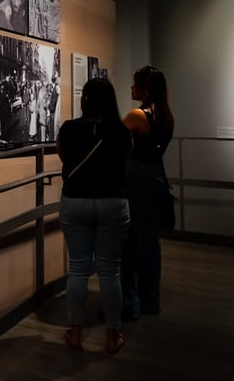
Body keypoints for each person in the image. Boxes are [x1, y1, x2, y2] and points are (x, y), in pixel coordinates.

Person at [56, 77, 131, 355]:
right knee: (110, 269)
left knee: (78, 267)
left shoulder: (68, 129)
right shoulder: (122, 132)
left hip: (75, 200)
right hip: (113, 201)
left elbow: (65, 159)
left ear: (84, 99)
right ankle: (113, 335)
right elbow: (125, 161)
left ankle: (75, 332)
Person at [120, 65, 175, 321]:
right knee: (150, 244)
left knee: (129, 241)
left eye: (134, 84)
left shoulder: (137, 116)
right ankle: (150, 300)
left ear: (144, 88)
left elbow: (114, 142)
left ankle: (129, 304)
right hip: (156, 178)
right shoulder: (166, 115)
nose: (131, 88)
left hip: (137, 182)